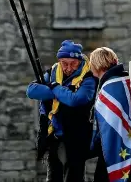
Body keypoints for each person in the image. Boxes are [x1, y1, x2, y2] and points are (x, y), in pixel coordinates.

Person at [27, 40, 97, 182]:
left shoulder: (89, 77)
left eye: (73, 63)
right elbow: (32, 91)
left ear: (80, 61)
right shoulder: (53, 72)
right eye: (65, 63)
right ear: (59, 61)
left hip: (77, 134)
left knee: (74, 175)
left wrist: (54, 88)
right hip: (55, 134)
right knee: (53, 175)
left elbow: (75, 100)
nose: (69, 68)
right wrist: (63, 92)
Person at [89, 47, 131, 182]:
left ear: (97, 64)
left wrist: (92, 145)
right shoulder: (122, 80)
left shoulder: (109, 87)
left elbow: (107, 125)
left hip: (113, 145)